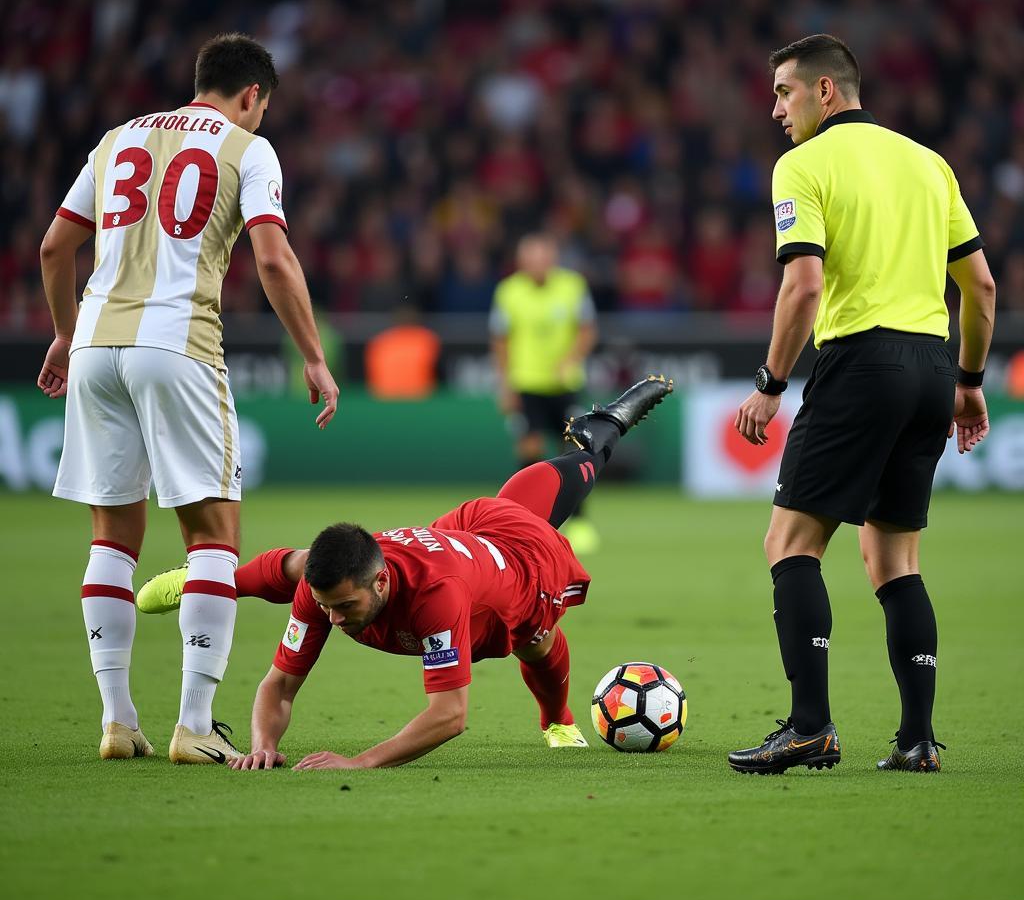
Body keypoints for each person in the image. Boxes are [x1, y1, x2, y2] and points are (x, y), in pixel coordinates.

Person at [37, 33, 340, 765]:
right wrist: (313, 355)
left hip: (96, 345)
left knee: (111, 539)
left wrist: (65, 334)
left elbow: (54, 248)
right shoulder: (246, 146)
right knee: (212, 538)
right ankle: (194, 724)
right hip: (177, 346)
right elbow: (272, 255)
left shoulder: (118, 139)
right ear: (252, 96)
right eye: (262, 107)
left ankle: (118, 721)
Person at [136, 376, 673, 768]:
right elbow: (278, 680)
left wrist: (360, 762)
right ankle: (196, 578)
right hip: (463, 535)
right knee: (281, 573)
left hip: (522, 565)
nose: (333, 618)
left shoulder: (433, 599)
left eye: (344, 606)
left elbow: (449, 715)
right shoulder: (326, 583)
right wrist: (263, 746)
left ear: (381, 581)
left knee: (535, 640)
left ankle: (557, 720)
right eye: (326, 605)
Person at [728, 34, 995, 775]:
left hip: (862, 362)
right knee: (893, 558)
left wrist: (771, 382)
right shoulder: (928, 163)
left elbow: (805, 286)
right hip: (931, 367)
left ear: (824, 91)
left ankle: (810, 727)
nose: (775, 109)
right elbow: (981, 288)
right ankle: (917, 740)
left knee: (789, 545)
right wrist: (968, 381)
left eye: (784, 92)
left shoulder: (804, 166)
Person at [490, 233, 599, 552]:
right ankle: (521, 520)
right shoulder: (509, 291)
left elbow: (587, 329)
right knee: (530, 449)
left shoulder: (573, 286)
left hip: (566, 384)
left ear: (553, 259)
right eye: (531, 259)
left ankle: (578, 522)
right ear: (522, 262)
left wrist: (572, 359)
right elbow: (500, 340)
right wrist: (505, 384)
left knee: (575, 450)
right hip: (527, 383)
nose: (537, 264)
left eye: (543, 258)